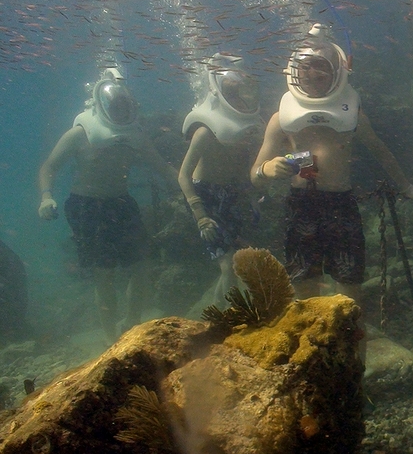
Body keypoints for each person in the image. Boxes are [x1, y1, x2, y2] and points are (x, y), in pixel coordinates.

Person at [251, 24, 413, 355]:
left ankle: (352, 369)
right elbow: (255, 175)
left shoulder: (353, 115)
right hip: (300, 206)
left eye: (322, 72)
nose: (313, 77)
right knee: (303, 293)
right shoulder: (280, 118)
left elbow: (381, 152)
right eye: (306, 71)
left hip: (342, 206)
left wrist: (409, 188)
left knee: (350, 298)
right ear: (294, 73)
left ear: (337, 73)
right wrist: (267, 168)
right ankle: (309, 363)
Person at [38, 67, 179, 341]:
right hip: (86, 207)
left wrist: (188, 186)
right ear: (102, 104)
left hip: (121, 203)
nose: (120, 111)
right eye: (115, 106)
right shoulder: (79, 133)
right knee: (104, 275)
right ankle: (109, 340)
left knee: (141, 266)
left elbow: (162, 167)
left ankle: (132, 325)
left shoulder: (136, 134)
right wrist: (46, 196)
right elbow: (50, 166)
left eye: (125, 106)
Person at [179, 52, 264, 311]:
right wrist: (200, 214)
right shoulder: (205, 131)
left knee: (233, 263)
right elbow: (183, 175)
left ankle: (216, 310)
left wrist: (251, 198)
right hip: (205, 196)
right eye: (232, 92)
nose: (238, 98)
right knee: (228, 264)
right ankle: (229, 317)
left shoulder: (244, 130)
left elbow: (241, 169)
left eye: (241, 92)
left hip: (230, 195)